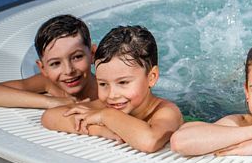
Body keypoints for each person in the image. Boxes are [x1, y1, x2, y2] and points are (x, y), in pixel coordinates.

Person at [41, 26, 182, 153]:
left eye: (123, 82)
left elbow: (149, 141)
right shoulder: (109, 104)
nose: (112, 95)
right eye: (103, 84)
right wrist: (99, 129)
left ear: (151, 77)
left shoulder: (166, 111)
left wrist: (105, 116)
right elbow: (50, 117)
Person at [0, 14, 98, 109]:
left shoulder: (104, 89)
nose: (68, 70)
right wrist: (51, 102)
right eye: (55, 63)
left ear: (93, 54)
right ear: (43, 68)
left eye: (77, 57)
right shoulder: (50, 84)